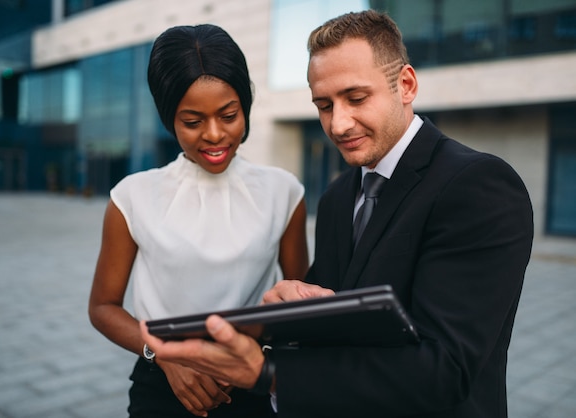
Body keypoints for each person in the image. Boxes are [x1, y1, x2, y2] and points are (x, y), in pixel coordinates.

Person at [139, 10, 535, 418]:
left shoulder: (477, 185)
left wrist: (269, 372)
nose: (339, 123)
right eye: (324, 105)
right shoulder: (337, 197)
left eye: (356, 98)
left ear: (406, 84)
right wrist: (292, 305)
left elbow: (445, 370)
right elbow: (332, 324)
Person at [88, 23, 309, 418]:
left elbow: (300, 303)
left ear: (246, 106)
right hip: (164, 386)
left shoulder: (284, 191)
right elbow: (103, 307)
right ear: (168, 118)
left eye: (229, 115)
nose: (214, 135)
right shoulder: (132, 197)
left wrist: (258, 346)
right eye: (192, 121)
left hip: (255, 382)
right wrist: (166, 357)